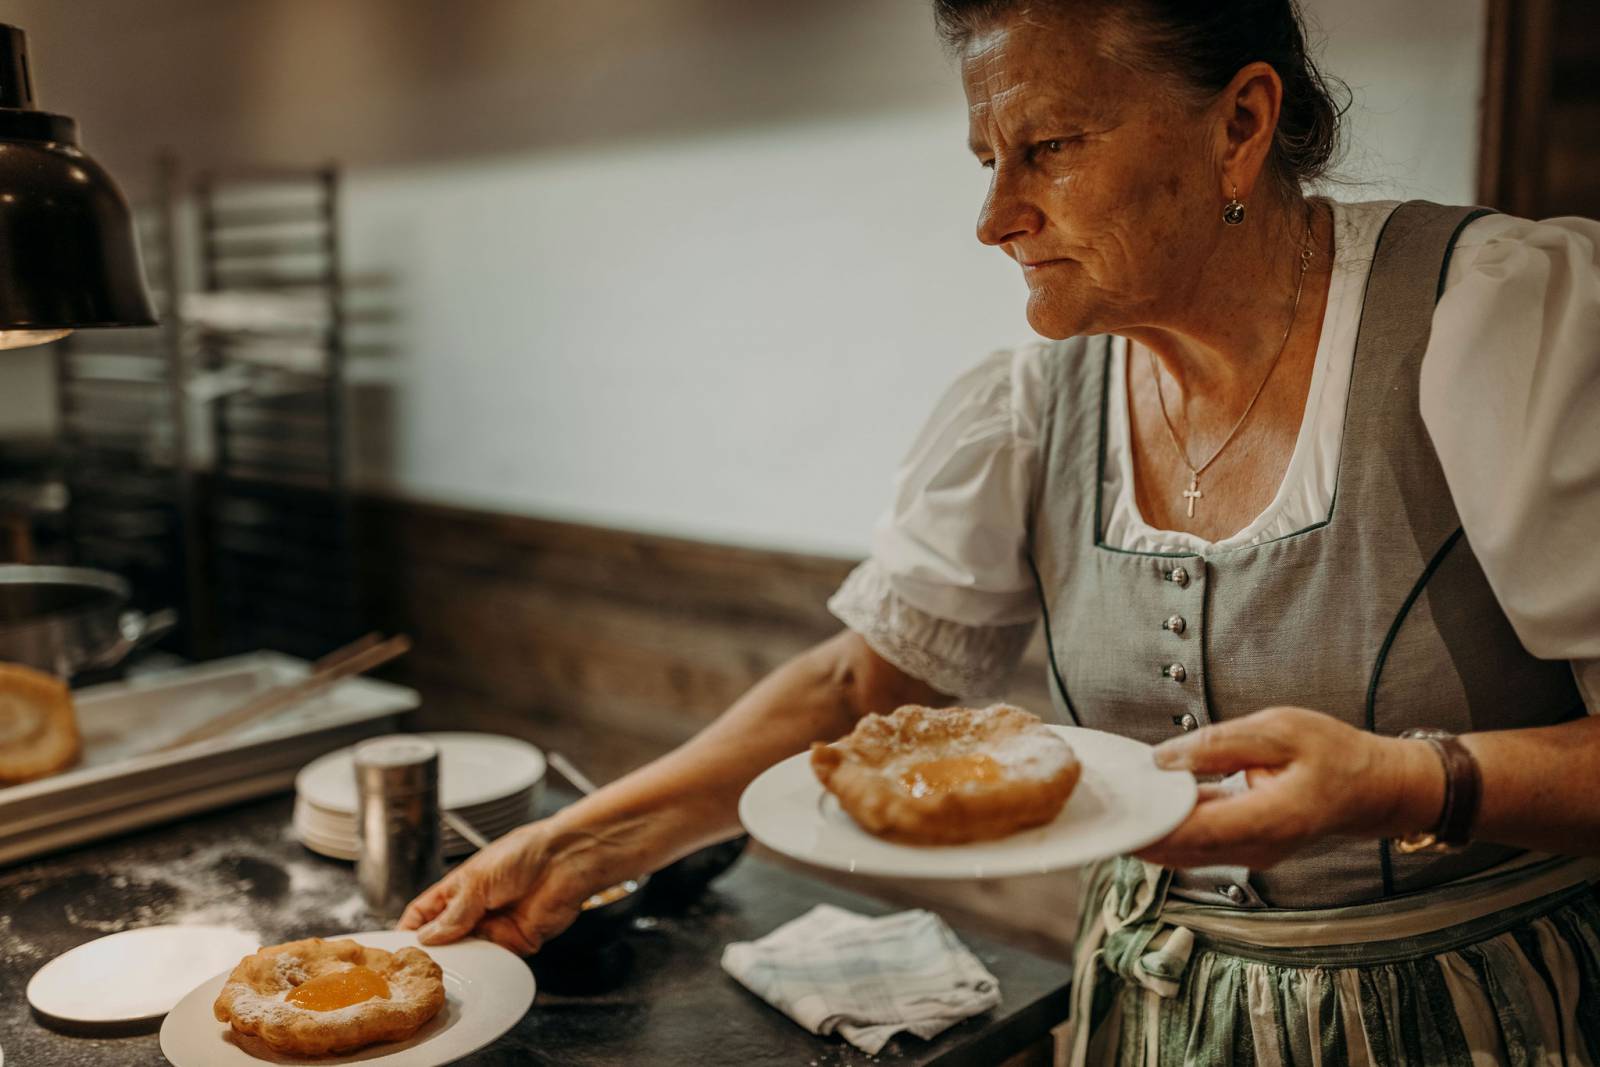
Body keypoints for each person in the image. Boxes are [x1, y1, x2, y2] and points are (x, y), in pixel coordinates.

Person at [400, 1, 1600, 1061]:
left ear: (1238, 123)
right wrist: (574, 848)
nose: (995, 217)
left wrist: (1406, 779)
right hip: (1150, 1009)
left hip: (1475, 1013)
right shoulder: (1036, 403)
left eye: (1050, 147)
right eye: (987, 158)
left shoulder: (1490, 319)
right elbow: (861, 689)